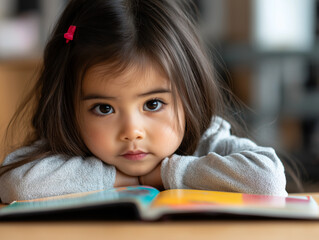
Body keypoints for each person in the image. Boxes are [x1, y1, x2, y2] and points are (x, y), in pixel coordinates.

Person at [0, 0, 287, 203]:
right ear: (68, 109)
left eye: (152, 104)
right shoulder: (69, 148)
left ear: (189, 94)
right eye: (104, 108)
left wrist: (167, 173)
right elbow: (17, 183)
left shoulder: (207, 140)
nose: (132, 131)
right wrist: (120, 179)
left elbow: (268, 180)